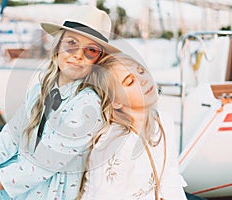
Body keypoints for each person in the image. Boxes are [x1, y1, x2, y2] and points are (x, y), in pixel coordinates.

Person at [0, 5, 119, 199]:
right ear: (57, 46)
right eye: (71, 43)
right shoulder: (40, 90)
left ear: (99, 60)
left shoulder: (88, 106)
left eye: (91, 50)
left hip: (44, 193)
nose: (78, 55)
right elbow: (6, 142)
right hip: (8, 184)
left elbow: (35, 170)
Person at [79, 52, 188, 200]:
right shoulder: (113, 145)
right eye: (130, 81)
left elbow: (171, 179)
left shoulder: (163, 122)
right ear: (116, 102)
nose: (143, 80)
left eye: (141, 71)